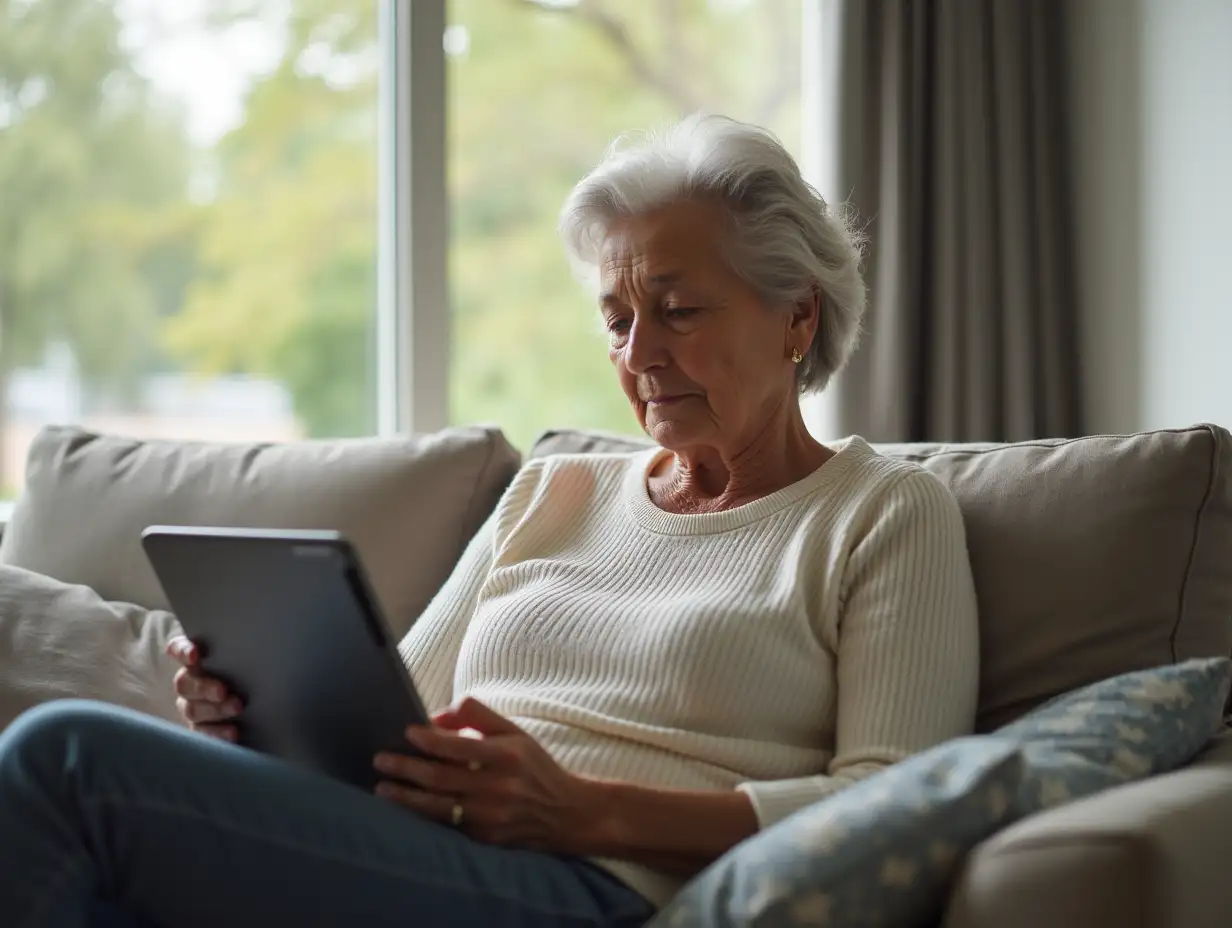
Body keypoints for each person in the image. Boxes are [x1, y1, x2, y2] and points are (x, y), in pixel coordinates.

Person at [0, 114, 979, 927]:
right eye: (614, 319)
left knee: (63, 755)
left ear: (796, 319)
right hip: (427, 860)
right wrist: (253, 724)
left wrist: (581, 810)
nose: (637, 353)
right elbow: (401, 729)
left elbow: (893, 806)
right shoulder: (556, 490)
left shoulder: (881, 514)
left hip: (595, 890)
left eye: (676, 310)